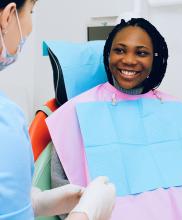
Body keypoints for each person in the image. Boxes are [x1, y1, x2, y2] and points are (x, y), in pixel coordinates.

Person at [47, 18, 182, 220]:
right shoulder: (77, 110)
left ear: (155, 58)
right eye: (119, 50)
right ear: (108, 54)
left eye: (141, 53)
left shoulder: (176, 110)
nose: (129, 60)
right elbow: (61, 187)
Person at [0, 1, 116, 219]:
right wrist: (86, 213)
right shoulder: (6, 121)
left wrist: (35, 202)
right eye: (31, 12)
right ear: (8, 16)